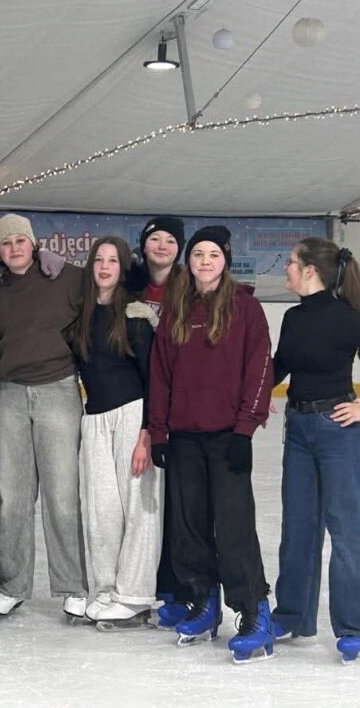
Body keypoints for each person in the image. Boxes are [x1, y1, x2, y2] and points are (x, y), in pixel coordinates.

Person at [148, 225, 273, 663]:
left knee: (234, 528)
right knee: (189, 526)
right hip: (184, 438)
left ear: (225, 260)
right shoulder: (176, 310)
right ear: (189, 261)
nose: (204, 261)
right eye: (197, 254)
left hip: (227, 439)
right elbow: (160, 374)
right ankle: (204, 603)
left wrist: (245, 429)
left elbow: (260, 370)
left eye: (213, 254)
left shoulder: (246, 309)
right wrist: (160, 431)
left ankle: (255, 611)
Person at [0, 214, 88, 618]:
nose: (14, 248)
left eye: (20, 241)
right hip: (9, 395)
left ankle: (72, 585)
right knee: (14, 497)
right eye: (6, 243)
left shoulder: (66, 278)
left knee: (61, 496)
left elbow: (100, 301)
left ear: (34, 243)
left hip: (58, 390)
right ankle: (12, 584)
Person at [269, 238, 360, 664]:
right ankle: (291, 615)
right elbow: (278, 366)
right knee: (298, 527)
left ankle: (352, 626)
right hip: (299, 429)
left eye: (290, 263)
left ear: (309, 270)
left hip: (338, 431)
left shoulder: (349, 318)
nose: (285, 268)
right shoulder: (292, 317)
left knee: (345, 530)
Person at [72, 237, 161, 628]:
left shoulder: (137, 317)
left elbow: (154, 379)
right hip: (94, 419)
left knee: (139, 507)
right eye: (98, 260)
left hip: (132, 415)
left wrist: (147, 432)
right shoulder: (81, 314)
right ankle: (104, 587)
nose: (105, 266)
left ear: (123, 268)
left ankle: (136, 593)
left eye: (113, 260)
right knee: (101, 509)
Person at [129, 216, 194, 628]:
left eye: (171, 240)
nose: (163, 245)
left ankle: (176, 585)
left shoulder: (190, 288)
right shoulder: (129, 285)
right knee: (143, 497)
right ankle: (141, 578)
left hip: (181, 403)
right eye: (156, 238)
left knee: (177, 499)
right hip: (134, 399)